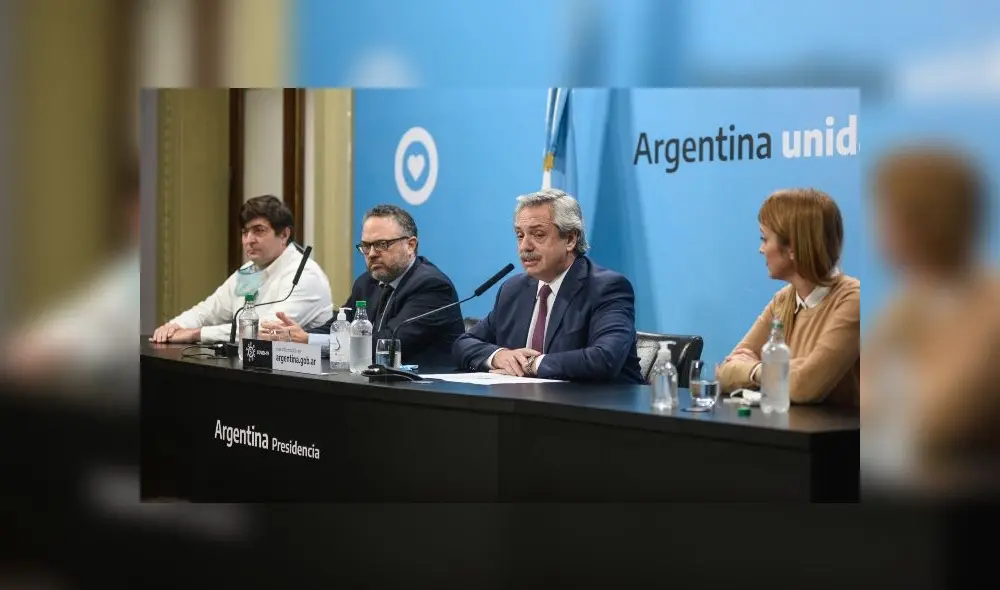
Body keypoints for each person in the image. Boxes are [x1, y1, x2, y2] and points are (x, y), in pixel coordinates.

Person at [861, 145, 1000, 497]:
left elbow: (938, 421)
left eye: (886, 215)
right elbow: (861, 399)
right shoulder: (907, 303)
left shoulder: (989, 305)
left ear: (924, 219)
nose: (877, 230)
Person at [452, 189, 643, 384]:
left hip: (600, 408)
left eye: (538, 234)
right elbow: (463, 344)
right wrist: (500, 356)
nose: (525, 246)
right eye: (520, 235)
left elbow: (605, 358)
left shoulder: (605, 288)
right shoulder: (513, 290)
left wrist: (531, 364)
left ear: (570, 239)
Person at [261, 204, 465, 369]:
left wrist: (309, 341)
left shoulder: (431, 287)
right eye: (366, 246)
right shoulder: (367, 282)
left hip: (427, 396)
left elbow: (386, 344)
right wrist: (295, 335)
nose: (372, 253)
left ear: (410, 245)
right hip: (378, 386)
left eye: (382, 244)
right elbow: (338, 326)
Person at [717, 188, 860, 406]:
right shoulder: (783, 300)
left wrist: (755, 369)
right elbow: (725, 372)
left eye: (765, 239)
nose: (761, 249)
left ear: (792, 247)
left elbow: (805, 385)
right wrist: (766, 370)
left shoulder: (853, 300)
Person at [149, 195, 332, 344]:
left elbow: (266, 331)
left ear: (284, 234)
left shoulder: (305, 275)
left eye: (258, 231)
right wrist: (173, 327)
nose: (248, 240)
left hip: (300, 378)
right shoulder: (250, 271)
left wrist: (197, 334)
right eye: (245, 232)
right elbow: (209, 310)